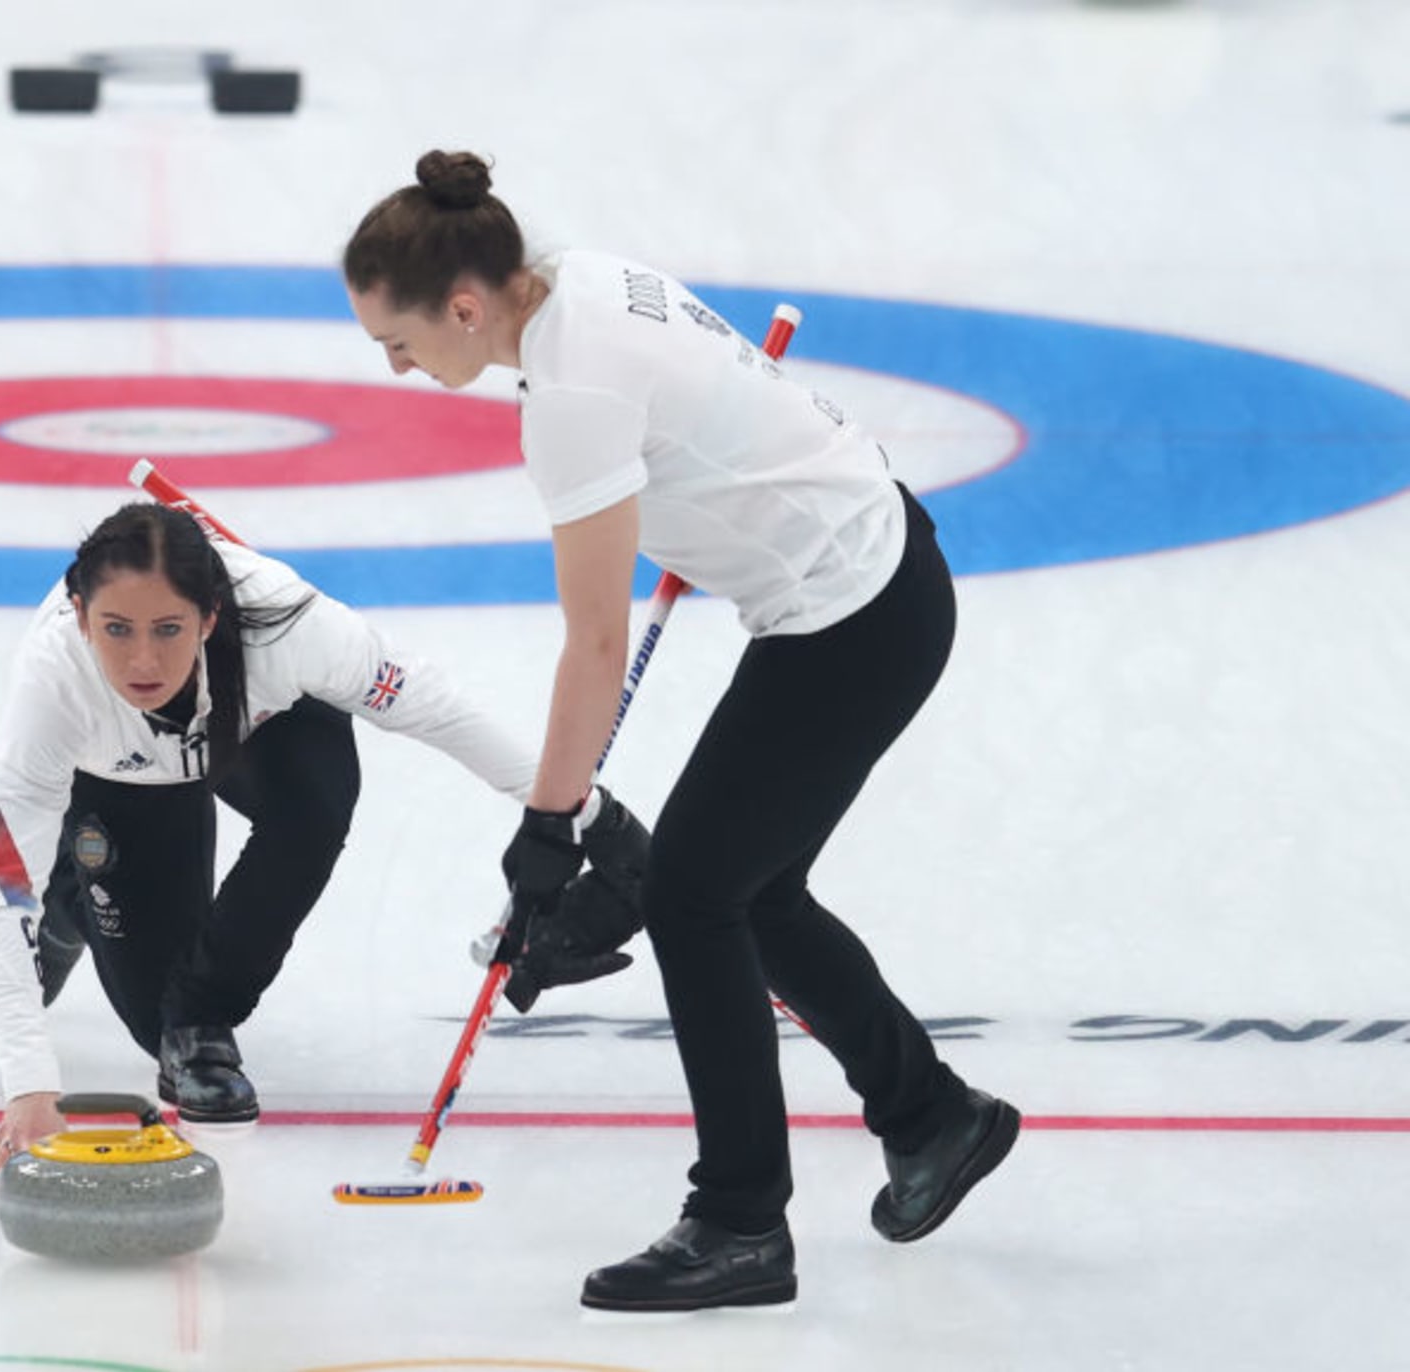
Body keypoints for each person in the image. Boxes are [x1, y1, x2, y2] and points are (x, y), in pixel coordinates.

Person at [340, 151, 1019, 1312]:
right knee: (748, 889)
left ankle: (741, 1221)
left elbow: (593, 646)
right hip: (873, 575)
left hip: (851, 615)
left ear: (464, 305)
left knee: (693, 893)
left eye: (397, 341)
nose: (398, 365)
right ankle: (932, 1116)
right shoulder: (575, 280)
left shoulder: (570, 398)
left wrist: (547, 832)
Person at [0, 502, 647, 1177]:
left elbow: (436, 710)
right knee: (145, 1017)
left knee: (314, 804)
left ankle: (202, 1021)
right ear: (80, 617)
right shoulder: (54, 678)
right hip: (121, 773)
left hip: (257, 726)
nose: (143, 659)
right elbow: (3, 887)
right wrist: (29, 1087)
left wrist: (591, 815)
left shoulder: (293, 628)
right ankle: (76, 907)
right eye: (116, 629)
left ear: (210, 615)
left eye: (169, 628)